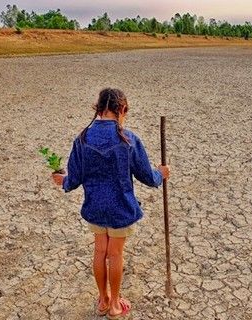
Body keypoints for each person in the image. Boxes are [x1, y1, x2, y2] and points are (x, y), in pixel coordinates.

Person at [52, 88, 170, 319]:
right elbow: (146, 176)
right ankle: (115, 304)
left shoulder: (82, 138)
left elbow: (74, 180)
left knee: (99, 251)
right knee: (114, 254)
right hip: (120, 207)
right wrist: (161, 174)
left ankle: (103, 300)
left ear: (97, 108)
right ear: (122, 109)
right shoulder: (129, 139)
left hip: (95, 206)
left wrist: (63, 181)